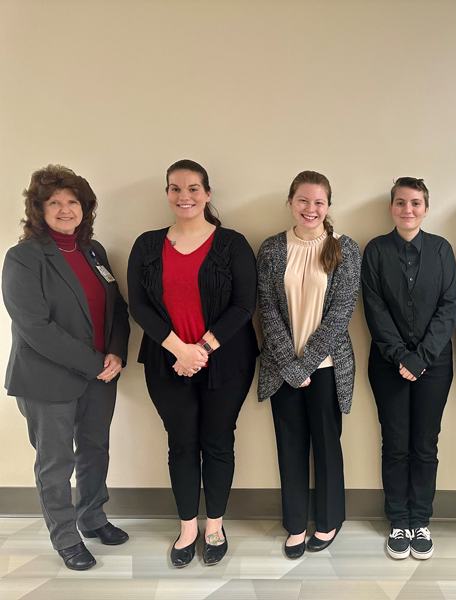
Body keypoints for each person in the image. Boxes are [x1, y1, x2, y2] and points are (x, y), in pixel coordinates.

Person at [127, 159, 258, 567]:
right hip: (167, 362)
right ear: (167, 193)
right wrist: (179, 350)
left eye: (193, 188)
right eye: (175, 188)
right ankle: (187, 527)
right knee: (181, 444)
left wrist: (200, 348)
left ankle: (215, 525)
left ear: (207, 194)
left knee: (218, 442)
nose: (184, 196)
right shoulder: (147, 244)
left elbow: (244, 305)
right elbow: (140, 306)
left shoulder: (232, 243)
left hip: (227, 362)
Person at [2, 165, 131, 570]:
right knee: (56, 462)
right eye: (54, 202)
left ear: (85, 207)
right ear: (38, 209)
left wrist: (115, 353)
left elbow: (117, 310)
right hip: (47, 379)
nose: (64, 209)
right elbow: (35, 327)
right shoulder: (24, 257)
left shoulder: (95, 252)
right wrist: (94, 363)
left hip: (101, 373)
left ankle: (92, 517)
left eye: (72, 201)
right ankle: (65, 536)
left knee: (95, 449)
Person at [257, 170, 360, 559]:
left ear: (328, 206)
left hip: (329, 367)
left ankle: (329, 519)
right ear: (290, 202)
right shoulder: (270, 249)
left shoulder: (345, 249)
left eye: (318, 202)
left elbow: (340, 314)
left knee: (327, 446)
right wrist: (290, 364)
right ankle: (296, 524)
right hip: (283, 367)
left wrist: (308, 364)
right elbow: (266, 310)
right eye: (303, 200)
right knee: (290, 446)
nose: (310, 209)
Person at [362, 177, 456, 560]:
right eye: (400, 203)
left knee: (425, 445)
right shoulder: (376, 250)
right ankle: (398, 520)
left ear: (426, 208)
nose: (408, 210)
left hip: (433, 367)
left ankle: (421, 520)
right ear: (391, 208)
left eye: (415, 203)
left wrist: (421, 358)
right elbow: (374, 308)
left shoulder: (441, 250)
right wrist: (402, 356)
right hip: (388, 365)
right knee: (395, 444)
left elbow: (448, 307)